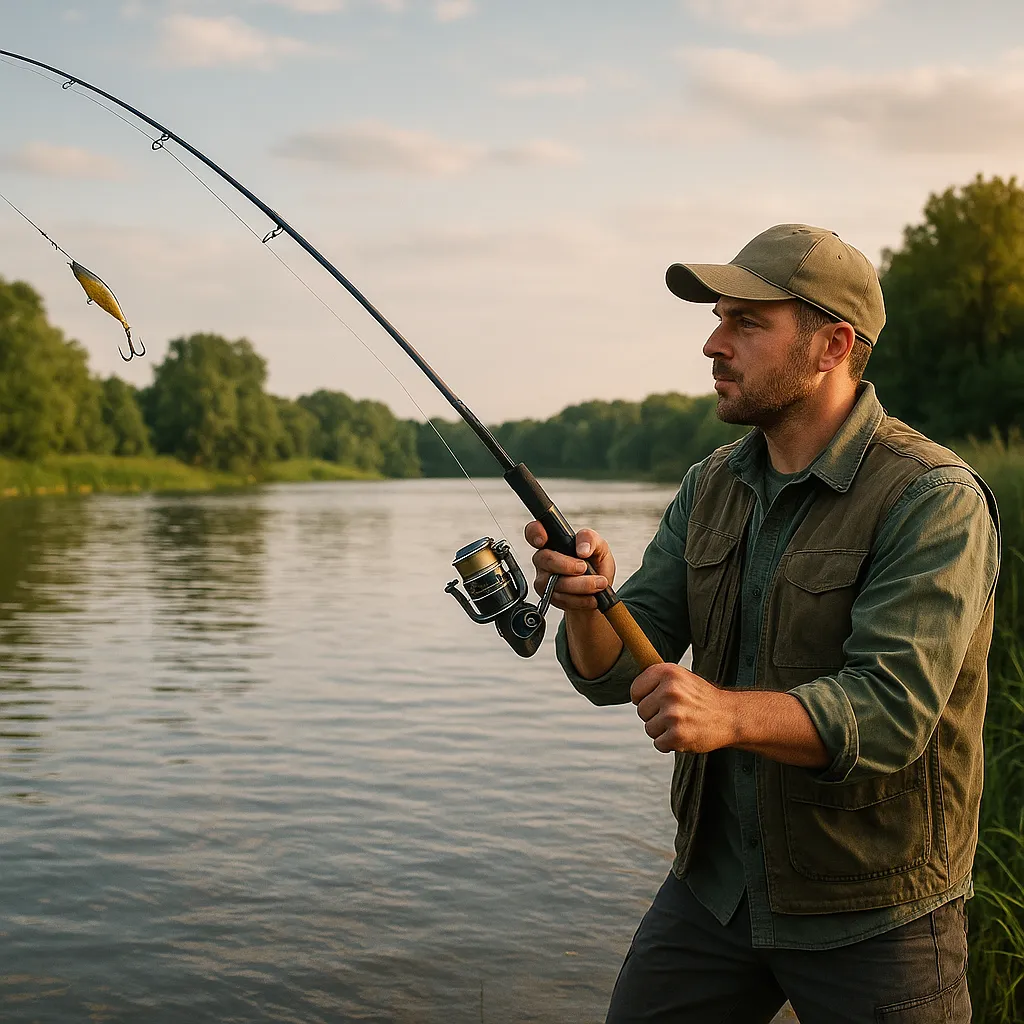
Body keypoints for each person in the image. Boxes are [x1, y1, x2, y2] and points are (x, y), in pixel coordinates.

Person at [526, 224, 1000, 1024]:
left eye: (747, 323)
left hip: (876, 907)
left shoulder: (933, 497)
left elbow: (890, 711)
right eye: (718, 320)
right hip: (714, 891)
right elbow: (612, 672)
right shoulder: (710, 484)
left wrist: (727, 714)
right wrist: (587, 604)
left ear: (832, 346)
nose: (714, 344)